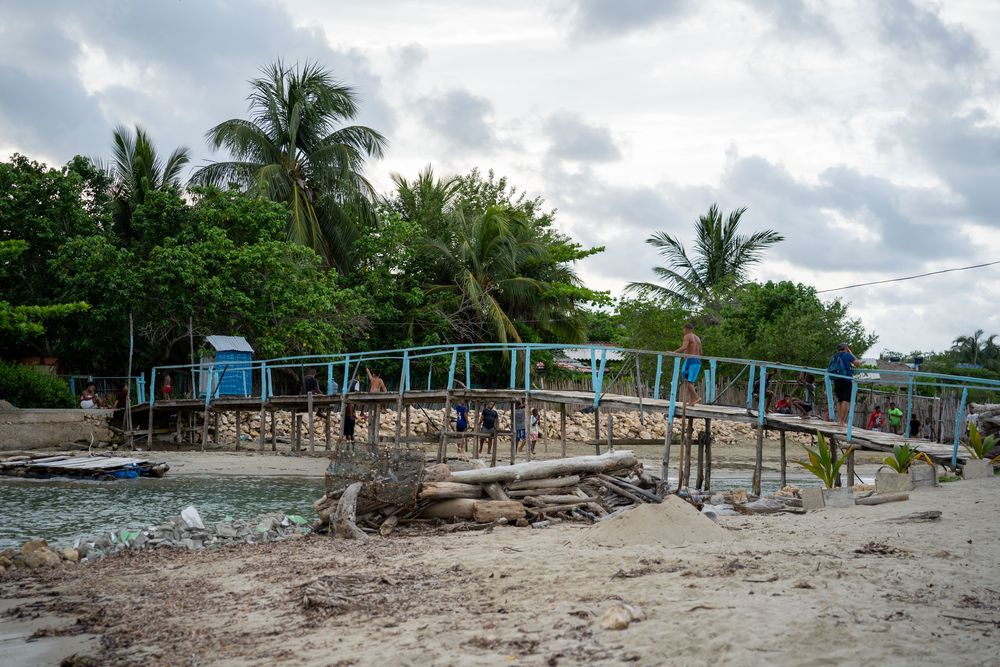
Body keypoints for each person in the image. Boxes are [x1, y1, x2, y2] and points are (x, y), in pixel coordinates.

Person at [828, 343, 861, 425]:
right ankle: (842, 422)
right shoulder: (847, 354)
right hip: (847, 379)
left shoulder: (834, 356)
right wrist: (851, 353)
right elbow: (858, 364)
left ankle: (839, 420)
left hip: (836, 379)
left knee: (839, 400)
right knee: (845, 400)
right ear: (846, 348)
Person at [675, 322, 702, 405]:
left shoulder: (687, 336)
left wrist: (674, 352)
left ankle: (696, 397)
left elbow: (684, 347)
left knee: (686, 380)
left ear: (686, 329)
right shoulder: (697, 338)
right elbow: (700, 352)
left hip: (690, 361)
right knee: (690, 381)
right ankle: (692, 401)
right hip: (698, 361)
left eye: (684, 329)